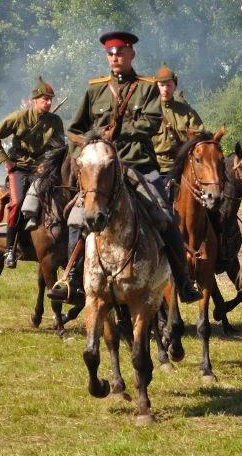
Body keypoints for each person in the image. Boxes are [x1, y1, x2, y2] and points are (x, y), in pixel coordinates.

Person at [49, 30, 202, 305]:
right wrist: (83, 158)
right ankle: (72, 279)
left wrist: (121, 131)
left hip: (139, 165)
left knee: (165, 215)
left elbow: (153, 122)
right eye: (110, 53)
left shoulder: (146, 87)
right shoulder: (95, 89)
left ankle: (183, 280)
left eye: (120, 52)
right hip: (102, 171)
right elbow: (74, 131)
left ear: (131, 54)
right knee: (74, 218)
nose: (115, 57)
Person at [0, 77, 65, 268]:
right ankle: (10, 250)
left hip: (42, 169)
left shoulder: (55, 121)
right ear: (34, 100)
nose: (48, 102)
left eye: (50, 99)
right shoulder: (19, 117)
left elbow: (59, 148)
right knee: (18, 203)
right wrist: (6, 161)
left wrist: (46, 165)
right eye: (45, 99)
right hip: (19, 168)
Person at [151, 65, 205, 185]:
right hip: (155, 168)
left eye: (169, 85)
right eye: (161, 85)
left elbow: (200, 137)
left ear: (175, 86)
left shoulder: (186, 111)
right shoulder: (149, 110)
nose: (165, 89)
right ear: (156, 87)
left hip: (182, 168)